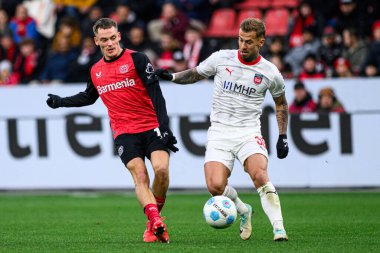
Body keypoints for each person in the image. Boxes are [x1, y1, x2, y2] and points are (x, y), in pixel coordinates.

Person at [155, 18, 289, 241]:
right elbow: (195, 74)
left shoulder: (270, 72)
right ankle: (243, 209)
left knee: (259, 174)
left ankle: (279, 228)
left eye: (248, 42)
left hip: (248, 132)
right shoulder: (221, 58)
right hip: (219, 132)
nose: (243, 45)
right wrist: (171, 77)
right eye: (240, 39)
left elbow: (281, 103)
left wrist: (283, 135)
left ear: (261, 42)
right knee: (215, 186)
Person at [45, 18, 178, 243]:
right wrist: (61, 102)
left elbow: (157, 94)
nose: (109, 43)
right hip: (124, 131)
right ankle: (155, 220)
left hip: (151, 126)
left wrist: (164, 128)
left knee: (161, 171)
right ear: (96, 41)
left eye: (113, 38)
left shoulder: (137, 59)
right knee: (140, 174)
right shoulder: (96, 70)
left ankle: (152, 219)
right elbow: (88, 97)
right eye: (104, 40)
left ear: (119, 36)